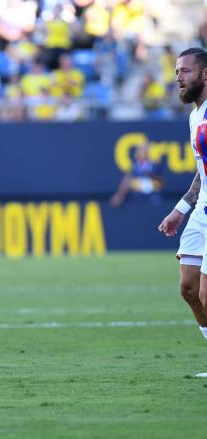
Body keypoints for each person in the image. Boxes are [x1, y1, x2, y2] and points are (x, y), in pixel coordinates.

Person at [158, 47, 207, 377]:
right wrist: (181, 209)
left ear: (204, 74)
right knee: (188, 288)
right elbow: (200, 171)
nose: (178, 77)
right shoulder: (194, 117)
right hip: (202, 207)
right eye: (176, 71)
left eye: (185, 71)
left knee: (206, 291)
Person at [109, 142, 163, 207]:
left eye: (145, 150)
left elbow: (162, 182)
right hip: (136, 198)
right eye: (140, 150)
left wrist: (150, 175)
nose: (142, 152)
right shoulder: (133, 168)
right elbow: (125, 182)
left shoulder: (155, 166)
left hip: (152, 197)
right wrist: (119, 196)